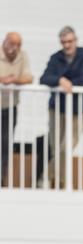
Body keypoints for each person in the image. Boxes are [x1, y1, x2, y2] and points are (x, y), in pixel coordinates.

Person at [39, 26, 83, 188]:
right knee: (55, 147)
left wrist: (65, 80)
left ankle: (46, 178)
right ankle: (60, 183)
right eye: (64, 42)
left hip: (78, 110)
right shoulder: (55, 58)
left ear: (75, 41)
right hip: (56, 109)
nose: (67, 45)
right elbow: (44, 78)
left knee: (66, 148)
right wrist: (60, 80)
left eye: (70, 41)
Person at [0, 32, 32, 186]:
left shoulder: (22, 56)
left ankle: (1, 178)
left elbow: (29, 77)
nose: (15, 48)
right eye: (12, 43)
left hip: (10, 107)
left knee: (5, 144)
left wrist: (14, 80)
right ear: (5, 42)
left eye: (18, 45)